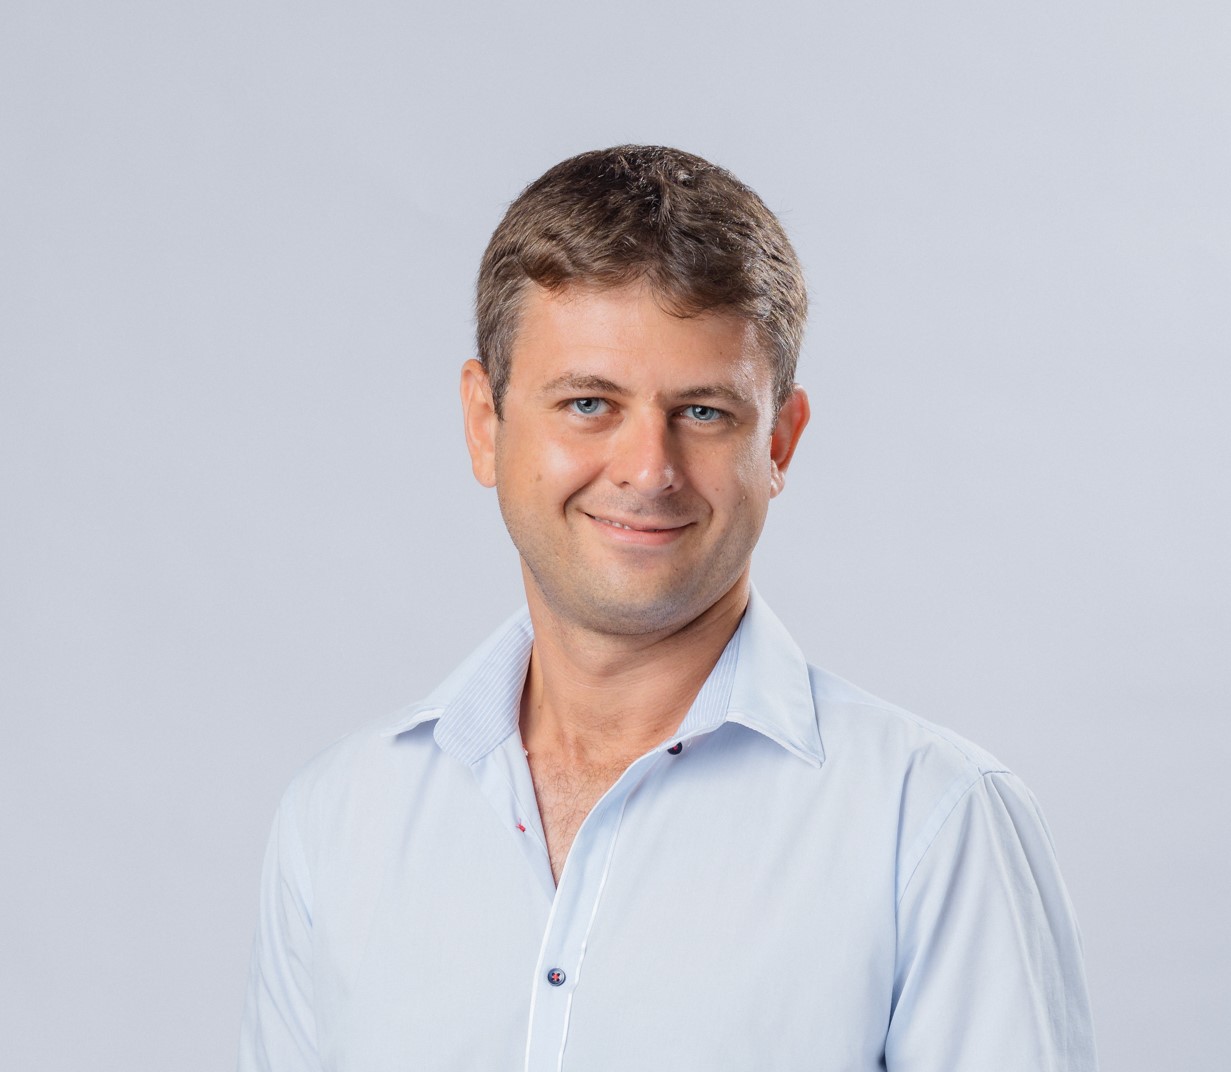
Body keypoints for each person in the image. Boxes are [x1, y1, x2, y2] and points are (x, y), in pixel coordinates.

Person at [238, 145, 1097, 1071]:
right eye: (588, 403)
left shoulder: (929, 824)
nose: (647, 470)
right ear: (485, 423)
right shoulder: (340, 821)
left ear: (780, 442)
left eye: (702, 413)